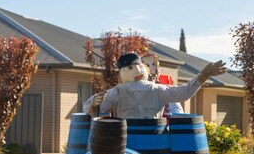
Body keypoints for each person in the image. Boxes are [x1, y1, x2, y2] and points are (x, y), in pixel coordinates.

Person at [85, 52, 226, 119]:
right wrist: (203, 76)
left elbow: (93, 111)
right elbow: (185, 92)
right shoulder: (158, 89)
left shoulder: (115, 92)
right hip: (155, 142)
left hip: (124, 145)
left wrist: (94, 105)